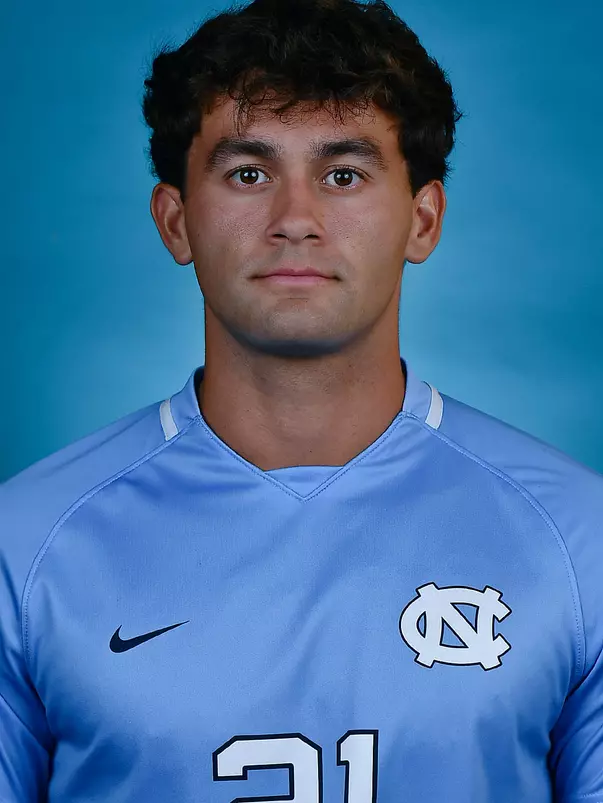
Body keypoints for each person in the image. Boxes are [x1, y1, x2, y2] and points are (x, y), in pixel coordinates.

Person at [1, 0, 602, 799]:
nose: (295, 220)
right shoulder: (27, 544)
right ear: (175, 221)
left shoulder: (576, 542)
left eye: (343, 174)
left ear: (421, 221)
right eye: (248, 173)